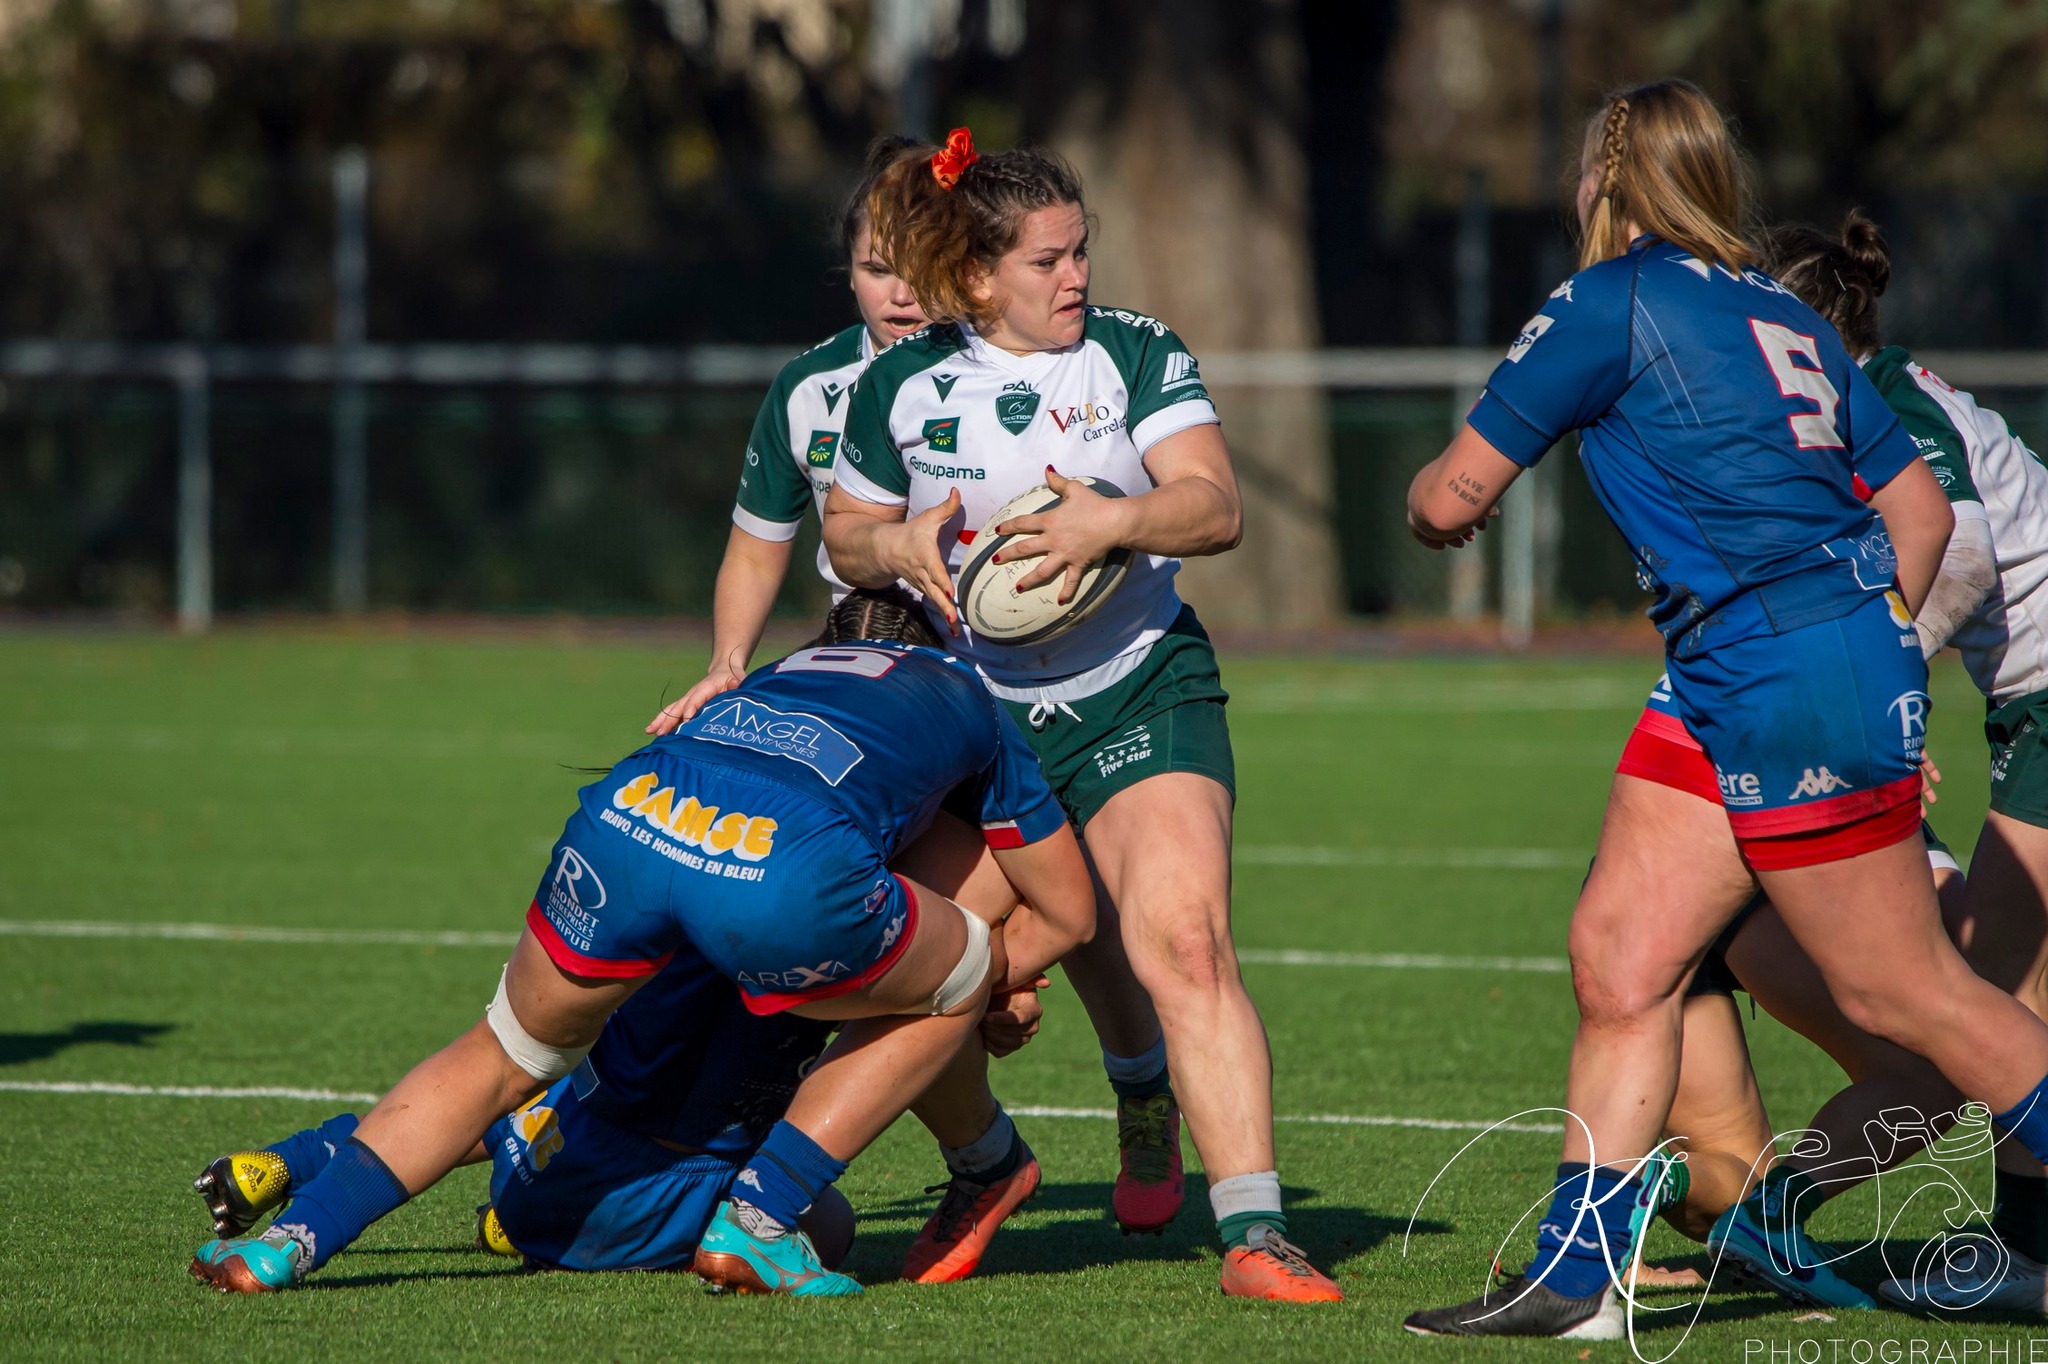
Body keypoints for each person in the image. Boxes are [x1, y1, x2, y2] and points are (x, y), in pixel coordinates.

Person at [1400, 79, 2048, 1340]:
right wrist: (1875, 642)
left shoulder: (1605, 298)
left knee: (1907, 994)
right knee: (1619, 954)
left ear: (1605, 180)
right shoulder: (1783, 311)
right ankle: (1576, 1277)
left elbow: (1444, 499)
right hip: (1737, 669)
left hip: (1780, 667)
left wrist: (1437, 498)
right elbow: (1918, 514)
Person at [188, 590, 1095, 1297]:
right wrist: (997, 982)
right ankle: (767, 1219)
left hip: (634, 817)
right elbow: (1071, 916)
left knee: (504, 1057)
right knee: (946, 994)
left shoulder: (774, 675)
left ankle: (286, 1242)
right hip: (774, 887)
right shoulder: (967, 696)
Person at [820, 127, 1341, 1302]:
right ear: (973, 277)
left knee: (1181, 937)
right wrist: (897, 542)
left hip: (1138, 683)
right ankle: (985, 1161)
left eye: (1080, 251)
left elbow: (1212, 505)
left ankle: (1256, 1235)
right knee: (920, 965)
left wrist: (1113, 518)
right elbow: (843, 531)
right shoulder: (900, 384)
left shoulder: (1131, 351)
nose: (1076, 277)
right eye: (1046, 260)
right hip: (974, 721)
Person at [1641, 212, 2048, 1313]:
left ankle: (1994, 1248)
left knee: (1975, 1014)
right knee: (1988, 1009)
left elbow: (1956, 545)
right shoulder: (1853, 408)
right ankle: (2008, 1246)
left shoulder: (1885, 406)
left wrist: (1878, 691)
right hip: (2014, 715)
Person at [644, 137, 930, 737]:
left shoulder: (1009, 371)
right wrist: (727, 664)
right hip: (868, 661)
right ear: (848, 272)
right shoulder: (807, 387)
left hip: (1003, 662)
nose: (901, 294)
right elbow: (754, 551)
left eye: (921, 266)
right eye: (877, 269)